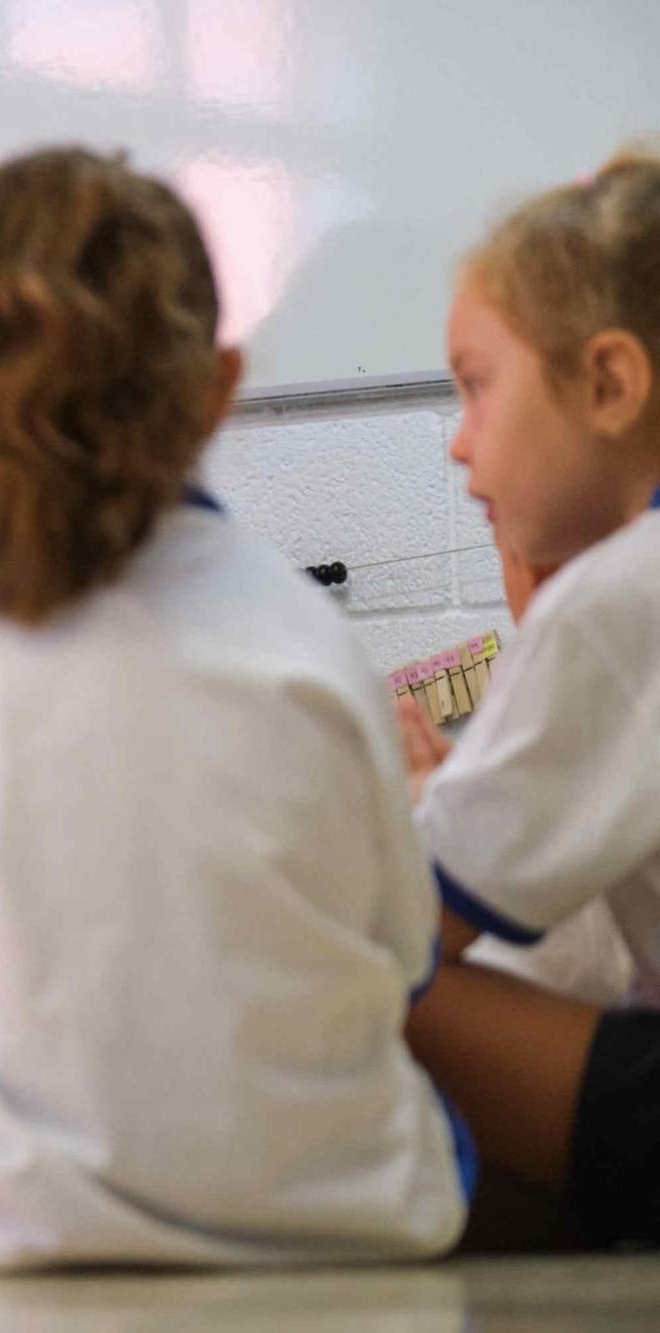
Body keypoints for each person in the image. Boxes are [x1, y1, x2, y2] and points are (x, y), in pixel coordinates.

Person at [0, 148, 469, 1271]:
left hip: (24, 1224)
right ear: (218, 388)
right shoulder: (306, 638)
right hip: (343, 1211)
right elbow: (404, 953)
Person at [399, 151, 660, 1250]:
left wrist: (401, 805)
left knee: (337, 971)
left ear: (606, 383)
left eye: (474, 384)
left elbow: (408, 926)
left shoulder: (615, 596)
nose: (457, 439)